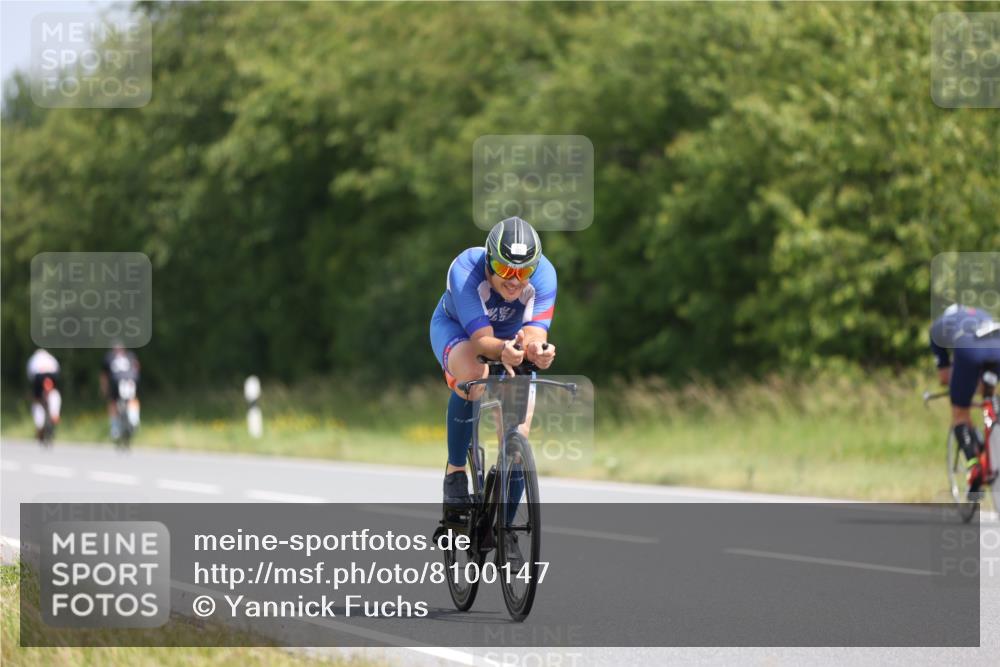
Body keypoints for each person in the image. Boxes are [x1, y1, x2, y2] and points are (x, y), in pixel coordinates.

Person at [429, 216, 558, 514]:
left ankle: (507, 529)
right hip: (460, 331)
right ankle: (456, 472)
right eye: (504, 269)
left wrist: (538, 350)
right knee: (475, 375)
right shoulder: (465, 269)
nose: (514, 280)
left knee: (516, 441)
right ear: (489, 261)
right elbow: (481, 341)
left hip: (509, 340)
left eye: (524, 271)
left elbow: (536, 334)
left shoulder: (545, 275)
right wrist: (503, 350)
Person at [929, 304, 1000, 495]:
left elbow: (945, 377)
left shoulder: (938, 327)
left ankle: (974, 466)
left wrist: (962, 387)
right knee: (989, 396)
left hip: (970, 349)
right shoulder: (981, 313)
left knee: (960, 413)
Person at [100, 342, 141, 441]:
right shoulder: (130, 355)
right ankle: (134, 419)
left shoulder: (109, 357)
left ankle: (115, 428)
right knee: (132, 399)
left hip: (116, 381)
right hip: (131, 380)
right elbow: (137, 367)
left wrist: (104, 389)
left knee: (112, 401)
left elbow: (104, 376)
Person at [26, 348, 61, 441]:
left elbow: (30, 376)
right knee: (54, 393)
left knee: (37, 401)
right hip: (52, 375)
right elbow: (58, 370)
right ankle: (55, 413)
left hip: (38, 376)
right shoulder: (51, 358)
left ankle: (39, 424)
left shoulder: (33, 359)